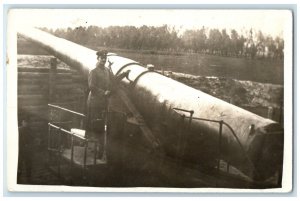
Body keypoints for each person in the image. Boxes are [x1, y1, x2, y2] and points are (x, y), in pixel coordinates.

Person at [86, 50, 130, 139]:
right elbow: (91, 86)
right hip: (95, 101)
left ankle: (99, 143)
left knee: (101, 122)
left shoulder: (106, 70)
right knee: (94, 122)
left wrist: (124, 74)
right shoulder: (93, 71)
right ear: (98, 58)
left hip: (103, 101)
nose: (104, 60)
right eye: (102, 58)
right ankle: (92, 142)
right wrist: (103, 92)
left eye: (105, 58)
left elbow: (114, 80)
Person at [17, 115, 34, 183]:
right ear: (22, 122)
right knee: (19, 164)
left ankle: (28, 177)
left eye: (27, 122)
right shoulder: (19, 129)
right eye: (24, 122)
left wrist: (30, 146)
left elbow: (32, 139)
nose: (26, 123)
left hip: (28, 149)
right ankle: (18, 177)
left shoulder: (30, 130)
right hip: (20, 149)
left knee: (28, 163)